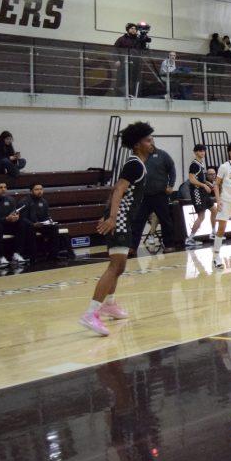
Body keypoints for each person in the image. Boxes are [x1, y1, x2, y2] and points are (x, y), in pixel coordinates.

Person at [83, 121, 153, 336]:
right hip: (120, 217)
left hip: (124, 218)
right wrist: (113, 217)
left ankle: (109, 304)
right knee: (115, 266)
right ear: (136, 145)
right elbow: (118, 189)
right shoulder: (134, 164)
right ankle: (91, 313)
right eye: (148, 140)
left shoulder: (139, 164)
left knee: (120, 266)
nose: (152, 143)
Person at [136, 146, 177, 252]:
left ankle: (169, 245)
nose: (149, 144)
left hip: (160, 194)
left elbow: (172, 169)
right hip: (144, 195)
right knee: (138, 220)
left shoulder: (163, 155)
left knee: (165, 220)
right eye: (147, 141)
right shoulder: (140, 156)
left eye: (150, 140)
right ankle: (132, 246)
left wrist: (171, 185)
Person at [17, 184, 65, 260]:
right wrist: (33, 224)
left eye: (41, 189)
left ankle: (53, 254)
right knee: (30, 229)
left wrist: (50, 221)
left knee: (54, 227)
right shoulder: (24, 201)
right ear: (31, 191)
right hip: (29, 225)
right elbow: (22, 218)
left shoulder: (44, 201)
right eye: (37, 189)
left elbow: (47, 215)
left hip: (41, 224)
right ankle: (33, 256)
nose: (39, 191)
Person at [0, 181, 25, 266]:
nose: (3, 190)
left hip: (7, 224)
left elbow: (14, 212)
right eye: (0, 187)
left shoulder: (10, 199)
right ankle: (0, 256)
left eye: (5, 187)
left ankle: (17, 253)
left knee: (22, 224)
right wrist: (6, 219)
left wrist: (16, 217)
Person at [185, 144, 215, 246]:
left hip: (202, 192)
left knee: (214, 210)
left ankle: (213, 233)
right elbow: (192, 179)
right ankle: (190, 238)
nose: (203, 152)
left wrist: (208, 183)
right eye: (200, 151)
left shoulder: (201, 163)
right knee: (201, 216)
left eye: (204, 151)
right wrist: (203, 185)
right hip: (197, 192)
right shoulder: (194, 164)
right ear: (195, 152)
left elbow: (199, 178)